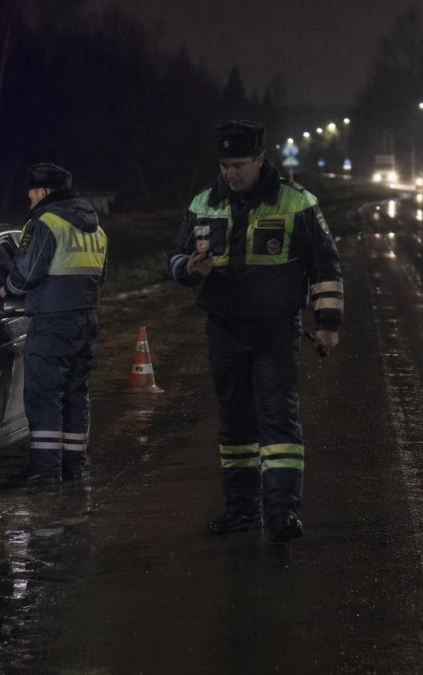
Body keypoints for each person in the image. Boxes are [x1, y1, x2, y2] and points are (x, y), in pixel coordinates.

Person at [168, 120, 343, 543]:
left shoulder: (296, 202)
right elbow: (175, 256)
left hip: (275, 330)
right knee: (234, 424)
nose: (231, 173)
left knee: (277, 420)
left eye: (239, 164)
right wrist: (188, 268)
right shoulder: (203, 203)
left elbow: (324, 264)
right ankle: (241, 510)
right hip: (223, 329)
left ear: (260, 160)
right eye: (225, 165)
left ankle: (282, 513)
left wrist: (327, 324)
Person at [2, 163, 108, 485]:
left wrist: (6, 289)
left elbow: (26, 275)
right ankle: (72, 466)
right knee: (76, 393)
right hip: (86, 319)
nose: (30, 201)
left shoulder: (46, 223)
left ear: (44, 191)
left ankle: (46, 469)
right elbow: (100, 276)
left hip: (52, 322)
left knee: (45, 394)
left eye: (32, 194)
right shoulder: (96, 229)